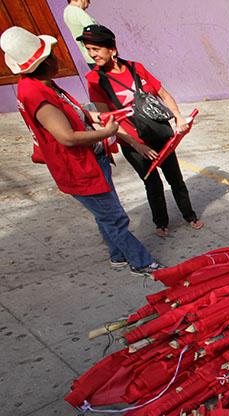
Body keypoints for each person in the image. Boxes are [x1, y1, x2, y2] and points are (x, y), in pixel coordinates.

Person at [1, 26, 158, 276]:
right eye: (53, 54)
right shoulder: (36, 93)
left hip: (90, 161)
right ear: (47, 63)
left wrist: (90, 115)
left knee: (104, 214)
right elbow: (67, 137)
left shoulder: (42, 85)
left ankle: (117, 256)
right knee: (115, 218)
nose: (58, 57)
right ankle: (141, 262)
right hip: (79, 167)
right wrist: (107, 132)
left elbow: (70, 112)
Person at [81, 25, 203, 238]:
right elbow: (107, 119)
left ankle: (189, 215)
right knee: (152, 183)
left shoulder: (136, 68)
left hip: (159, 136)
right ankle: (161, 223)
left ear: (112, 49)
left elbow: (163, 93)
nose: (92, 54)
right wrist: (137, 145)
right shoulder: (95, 79)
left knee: (175, 179)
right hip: (132, 144)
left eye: (96, 49)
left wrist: (178, 116)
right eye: (89, 49)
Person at [62, 0, 96, 68]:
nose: (88, 4)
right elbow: (95, 31)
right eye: (88, 1)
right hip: (97, 54)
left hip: (88, 55)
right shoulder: (77, 11)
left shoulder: (67, 11)